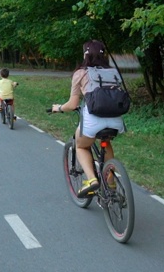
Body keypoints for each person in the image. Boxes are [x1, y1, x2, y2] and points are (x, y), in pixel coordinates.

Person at [51, 40, 125, 197]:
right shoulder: (114, 72)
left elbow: (72, 104)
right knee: (106, 142)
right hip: (115, 120)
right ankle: (110, 180)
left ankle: (92, 180)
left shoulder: (81, 73)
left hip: (94, 120)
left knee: (81, 146)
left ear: (85, 54)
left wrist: (58, 108)